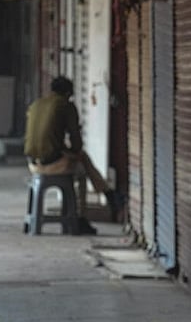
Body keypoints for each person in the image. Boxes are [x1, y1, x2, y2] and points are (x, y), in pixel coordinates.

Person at [24, 76, 125, 232]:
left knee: (81, 158)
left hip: (32, 163)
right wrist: (73, 151)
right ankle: (80, 216)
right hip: (52, 164)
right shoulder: (66, 105)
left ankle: (109, 194)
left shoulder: (36, 104)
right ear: (68, 93)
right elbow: (76, 142)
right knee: (81, 169)